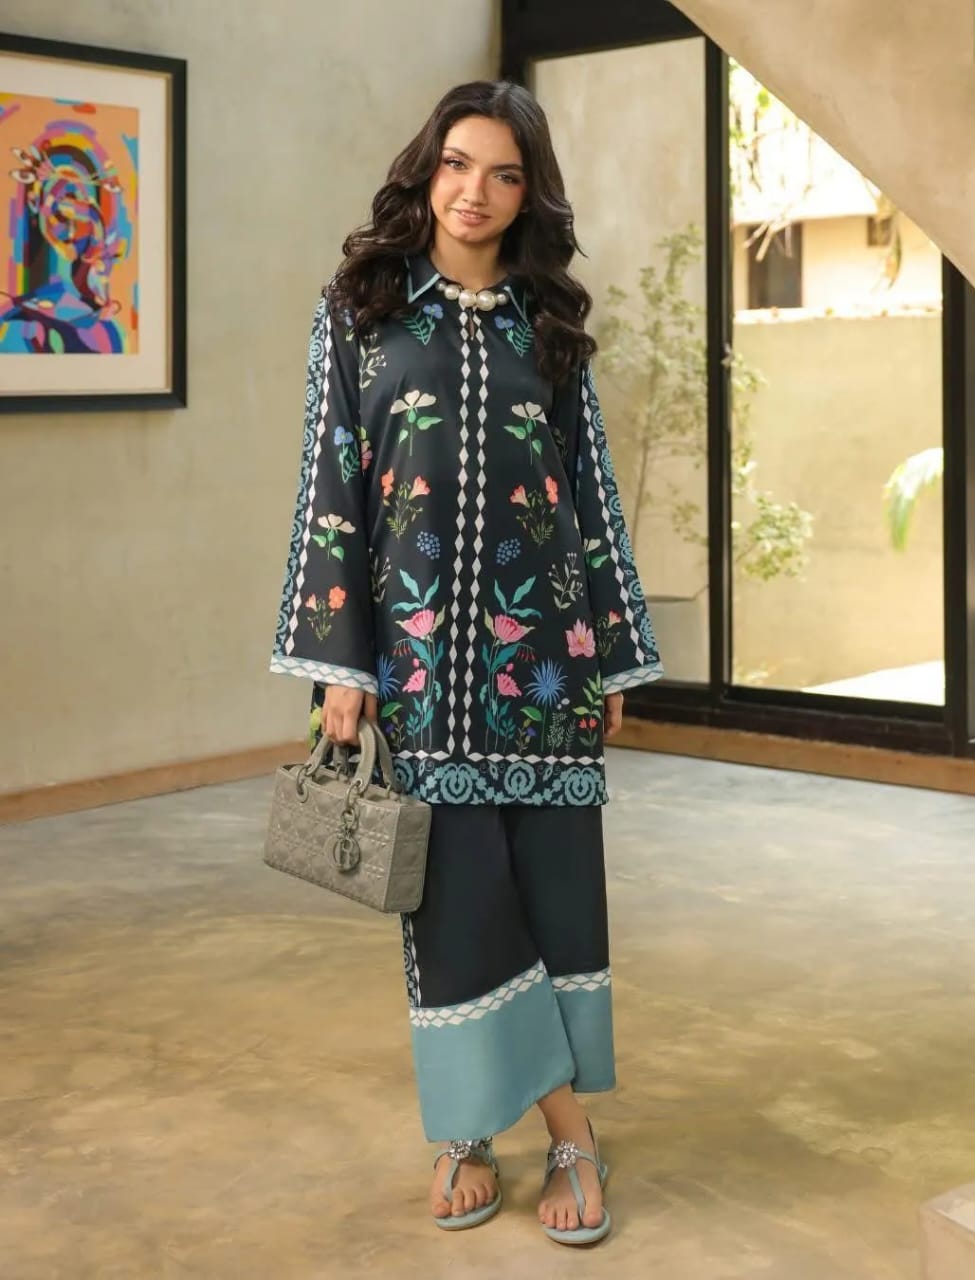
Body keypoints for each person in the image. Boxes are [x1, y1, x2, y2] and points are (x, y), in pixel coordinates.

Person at [271, 79, 661, 1246]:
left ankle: (505, 1129)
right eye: (454, 164)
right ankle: (525, 1130)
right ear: (423, 169)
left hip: (546, 674)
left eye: (501, 173)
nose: (472, 192)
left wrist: (613, 661)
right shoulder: (361, 312)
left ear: (529, 190)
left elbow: (588, 501)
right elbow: (330, 492)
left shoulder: (554, 327)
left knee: (550, 899)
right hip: (420, 678)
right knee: (461, 907)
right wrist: (343, 664)